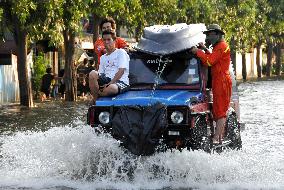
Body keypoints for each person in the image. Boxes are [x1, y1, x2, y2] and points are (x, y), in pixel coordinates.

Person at [191, 24, 232, 144]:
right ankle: (218, 137)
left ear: (217, 34)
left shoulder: (221, 46)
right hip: (219, 80)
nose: (208, 36)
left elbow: (209, 61)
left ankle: (216, 138)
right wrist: (204, 49)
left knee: (220, 111)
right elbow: (213, 57)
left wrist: (198, 52)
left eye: (209, 34)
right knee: (217, 110)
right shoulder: (219, 46)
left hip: (222, 81)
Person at [89, 29, 130, 104]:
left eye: (109, 40)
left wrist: (111, 83)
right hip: (106, 80)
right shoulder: (103, 57)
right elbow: (101, 74)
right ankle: (96, 100)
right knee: (92, 73)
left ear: (114, 40)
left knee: (112, 88)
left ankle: (96, 94)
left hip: (121, 82)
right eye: (104, 40)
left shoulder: (121, 52)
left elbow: (121, 71)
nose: (106, 42)